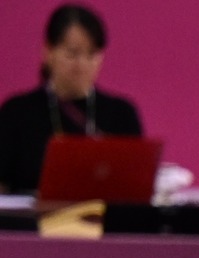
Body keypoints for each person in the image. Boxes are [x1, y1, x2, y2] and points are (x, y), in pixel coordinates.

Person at [0, 5, 143, 195]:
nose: (81, 64)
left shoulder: (121, 114)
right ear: (48, 52)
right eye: (72, 53)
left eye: (91, 54)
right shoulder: (16, 113)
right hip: (33, 214)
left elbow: (135, 187)